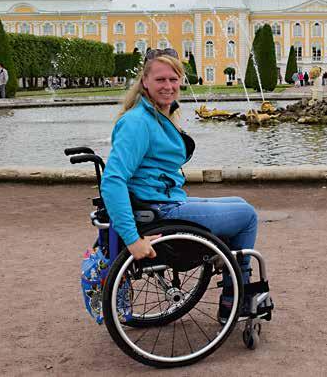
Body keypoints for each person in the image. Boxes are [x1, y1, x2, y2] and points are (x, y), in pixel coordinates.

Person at [100, 48, 259, 318]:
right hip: (160, 211)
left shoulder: (153, 115)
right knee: (247, 215)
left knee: (239, 203)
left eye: (174, 80)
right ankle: (235, 295)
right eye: (161, 80)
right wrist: (133, 240)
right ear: (145, 82)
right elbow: (112, 181)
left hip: (164, 202)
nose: (168, 86)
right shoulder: (138, 122)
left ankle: (229, 266)